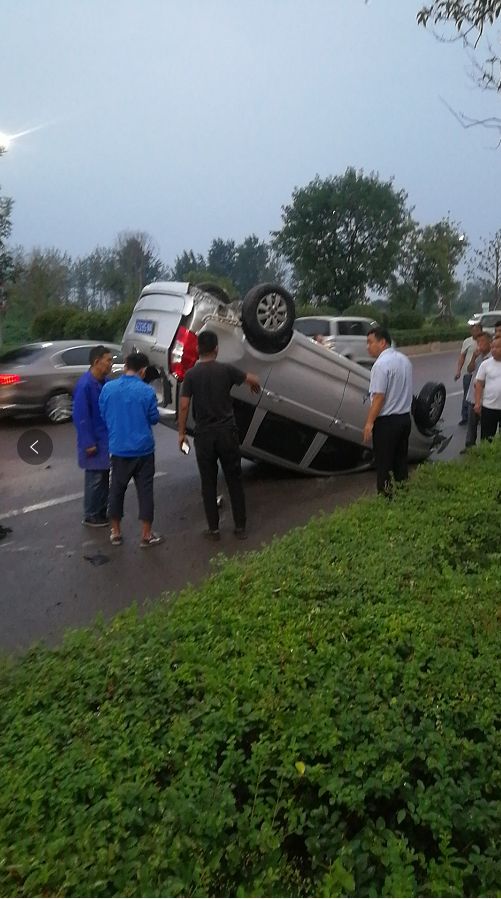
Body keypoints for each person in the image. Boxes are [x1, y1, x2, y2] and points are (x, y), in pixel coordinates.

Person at [178, 330, 260, 540]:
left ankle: (213, 530)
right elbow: (252, 378)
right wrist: (255, 386)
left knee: (208, 482)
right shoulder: (226, 370)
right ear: (216, 349)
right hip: (227, 433)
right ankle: (240, 527)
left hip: (204, 435)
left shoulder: (191, 375)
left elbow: (185, 405)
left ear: (198, 349)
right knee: (234, 479)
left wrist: (181, 434)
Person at [99, 352, 163, 548]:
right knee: (145, 491)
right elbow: (153, 418)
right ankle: (146, 534)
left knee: (116, 490)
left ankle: (116, 532)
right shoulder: (146, 391)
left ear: (125, 366)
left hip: (119, 449)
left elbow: (103, 414)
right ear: (143, 370)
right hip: (143, 450)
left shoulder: (108, 388)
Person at [363, 326, 413, 496]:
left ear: (382, 342)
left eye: (370, 342)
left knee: (384, 465)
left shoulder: (380, 365)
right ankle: (403, 495)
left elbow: (379, 397)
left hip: (387, 423)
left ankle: (385, 500)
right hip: (404, 419)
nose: (367, 346)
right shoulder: (404, 360)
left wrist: (369, 423)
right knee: (400, 463)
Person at [73, 345, 113, 527]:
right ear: (97, 362)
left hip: (104, 439)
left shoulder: (102, 383)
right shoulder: (85, 385)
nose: (111, 364)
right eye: (109, 360)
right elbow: (81, 417)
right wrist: (88, 442)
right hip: (94, 440)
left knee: (103, 476)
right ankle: (92, 514)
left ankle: (99, 511)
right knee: (95, 478)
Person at [460, 332, 492, 452]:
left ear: (490, 342)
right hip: (473, 396)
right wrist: (473, 357)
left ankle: (486, 447)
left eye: (482, 342)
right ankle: (469, 446)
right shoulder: (478, 357)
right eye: (478, 343)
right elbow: (469, 369)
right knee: (471, 424)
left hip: (486, 398)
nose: (479, 345)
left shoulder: (492, 358)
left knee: (486, 425)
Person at [455, 323, 483, 424]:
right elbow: (462, 356)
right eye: (473, 330)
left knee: (479, 395)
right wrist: (458, 371)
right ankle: (465, 416)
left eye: (477, 330)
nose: (475, 332)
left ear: (481, 330)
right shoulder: (467, 341)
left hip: (480, 373)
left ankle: (479, 416)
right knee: (467, 395)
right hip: (468, 372)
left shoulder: (484, 341)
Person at [474, 336, 501, 441]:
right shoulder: (485, 364)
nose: (493, 349)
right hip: (489, 407)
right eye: (492, 347)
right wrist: (477, 403)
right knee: (487, 438)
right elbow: (479, 384)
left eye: (497, 347)